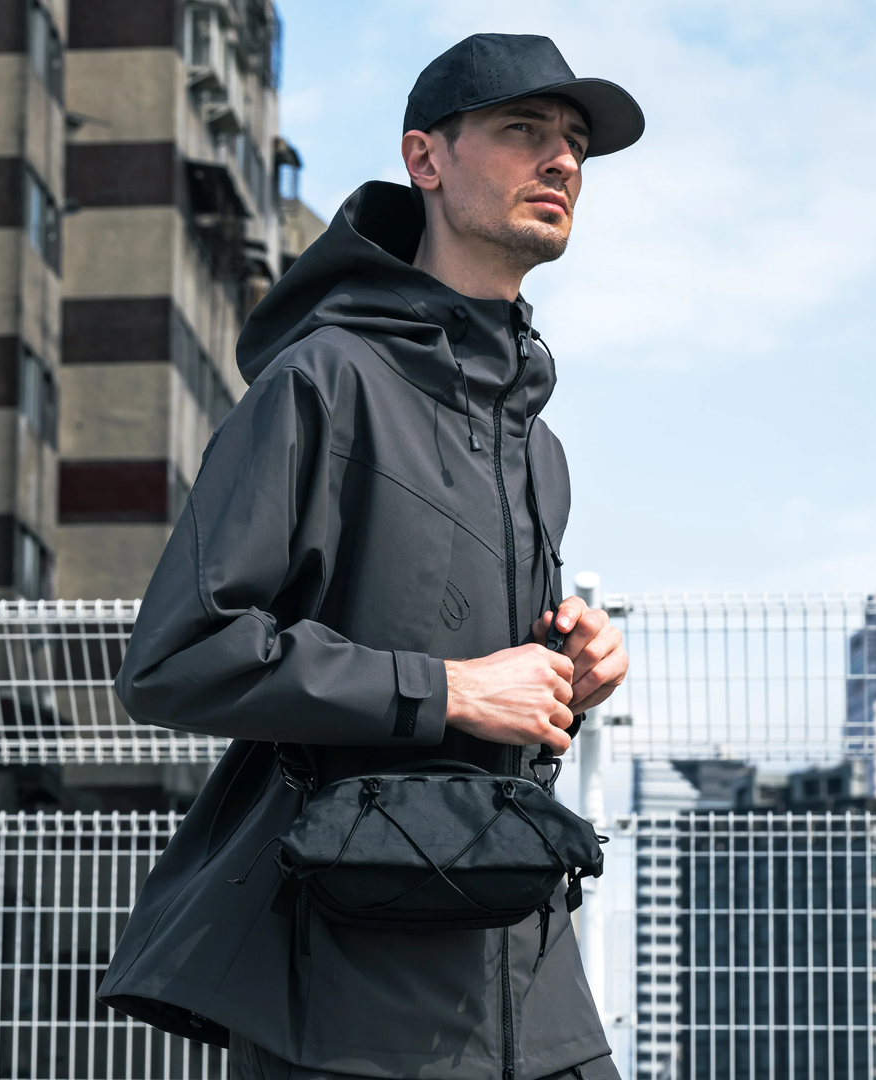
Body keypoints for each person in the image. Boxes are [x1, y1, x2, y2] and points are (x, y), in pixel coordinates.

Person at [98, 32, 643, 1080]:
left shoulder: (538, 444)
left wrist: (570, 676)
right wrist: (449, 689)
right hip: (350, 991)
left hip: (528, 974)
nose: (562, 160)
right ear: (425, 158)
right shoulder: (323, 381)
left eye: (575, 142)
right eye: (523, 129)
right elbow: (179, 656)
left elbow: (493, 692)